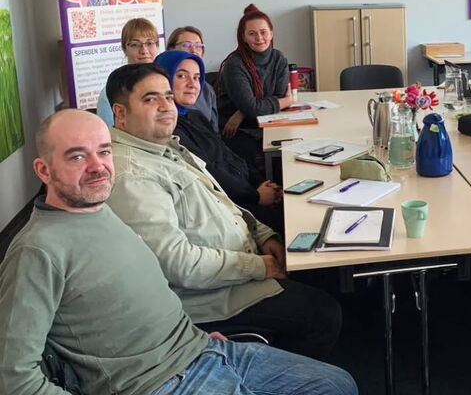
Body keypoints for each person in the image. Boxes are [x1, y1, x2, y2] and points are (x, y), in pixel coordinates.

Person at [0, 109, 356, 395]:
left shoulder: (101, 209)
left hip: (200, 347)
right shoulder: (38, 250)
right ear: (44, 170)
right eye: (77, 156)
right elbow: (15, 379)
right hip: (155, 383)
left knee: (336, 384)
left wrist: (192, 335)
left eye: (104, 151)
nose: (98, 167)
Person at [106, 63, 341, 361]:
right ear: (120, 113)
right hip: (211, 298)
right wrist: (259, 266)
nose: (166, 106)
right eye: (150, 99)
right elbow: (178, 265)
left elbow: (221, 200)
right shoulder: (132, 176)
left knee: (318, 267)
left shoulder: (166, 147)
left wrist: (263, 234)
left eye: (168, 96)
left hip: (234, 265)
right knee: (324, 314)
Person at [155, 50, 284, 231]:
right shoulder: (170, 131)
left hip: (246, 191)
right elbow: (210, 174)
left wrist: (261, 182)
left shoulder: (195, 116)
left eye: (197, 77)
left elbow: (227, 154)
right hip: (230, 206)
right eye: (182, 76)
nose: (192, 84)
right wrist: (256, 195)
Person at [217, 4, 293, 172]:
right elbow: (277, 101)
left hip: (267, 121)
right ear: (243, 37)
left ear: (271, 33)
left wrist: (243, 111)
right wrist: (286, 102)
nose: (259, 38)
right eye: (252, 33)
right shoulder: (235, 64)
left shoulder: (279, 58)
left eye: (263, 32)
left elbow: (278, 95)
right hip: (239, 129)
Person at [96, 17, 158, 127]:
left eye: (149, 43)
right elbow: (108, 134)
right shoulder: (110, 93)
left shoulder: (166, 85)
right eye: (135, 44)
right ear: (124, 49)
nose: (144, 50)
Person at [166, 25, 218, 132]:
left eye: (198, 46)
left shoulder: (207, 90)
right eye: (187, 45)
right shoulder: (163, 85)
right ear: (171, 49)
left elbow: (214, 130)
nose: (194, 50)